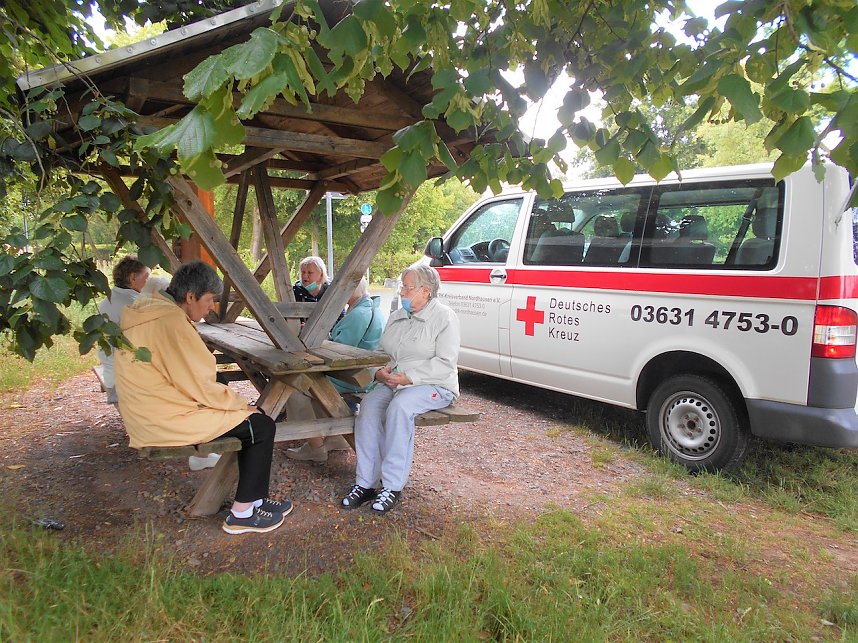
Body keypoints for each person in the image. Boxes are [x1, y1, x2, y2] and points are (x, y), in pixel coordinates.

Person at [114, 261, 292, 535]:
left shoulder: (149, 311)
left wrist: (235, 405)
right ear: (190, 297)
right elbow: (199, 384)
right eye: (209, 300)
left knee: (252, 420)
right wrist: (241, 405)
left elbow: (193, 380)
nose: (211, 308)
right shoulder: (170, 322)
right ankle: (242, 514)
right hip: (162, 418)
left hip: (150, 412)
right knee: (260, 425)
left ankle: (255, 501)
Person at [341, 265, 459, 514]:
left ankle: (392, 486)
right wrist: (378, 372)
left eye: (408, 287)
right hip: (395, 382)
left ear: (426, 291)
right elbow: (382, 352)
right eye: (402, 285)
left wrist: (410, 378)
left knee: (399, 408)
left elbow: (445, 363)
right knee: (369, 407)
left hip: (434, 384)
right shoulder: (397, 315)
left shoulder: (445, 317)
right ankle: (366, 483)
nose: (402, 291)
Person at [286, 276, 386, 462]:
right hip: (358, 372)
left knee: (295, 387)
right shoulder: (369, 308)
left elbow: (338, 353)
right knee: (312, 387)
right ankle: (335, 438)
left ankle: (316, 447)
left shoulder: (358, 314)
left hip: (354, 377)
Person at [97, 256, 151, 404]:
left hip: (111, 375)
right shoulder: (134, 305)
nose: (149, 282)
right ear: (133, 278)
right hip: (125, 382)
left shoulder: (107, 301)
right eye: (147, 278)